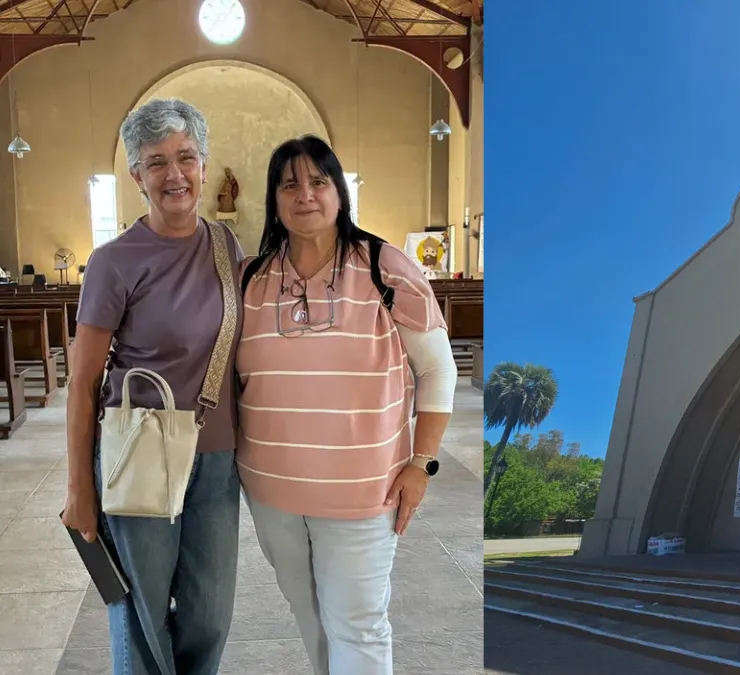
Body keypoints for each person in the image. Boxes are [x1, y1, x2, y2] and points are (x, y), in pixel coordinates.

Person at [236, 135, 457, 675]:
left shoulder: (385, 267)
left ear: (339, 192)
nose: (304, 195)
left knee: (357, 624)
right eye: (289, 184)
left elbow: (437, 370)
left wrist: (422, 464)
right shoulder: (250, 278)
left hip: (363, 490)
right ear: (274, 199)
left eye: (318, 181)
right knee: (309, 615)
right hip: (271, 491)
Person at [60, 98, 243, 674]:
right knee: (143, 610)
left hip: (216, 457)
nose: (174, 174)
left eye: (185, 157)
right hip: (141, 449)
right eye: (156, 162)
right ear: (137, 176)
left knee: (210, 614)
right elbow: (83, 381)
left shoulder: (226, 247)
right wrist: (79, 488)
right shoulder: (114, 262)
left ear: (204, 165)